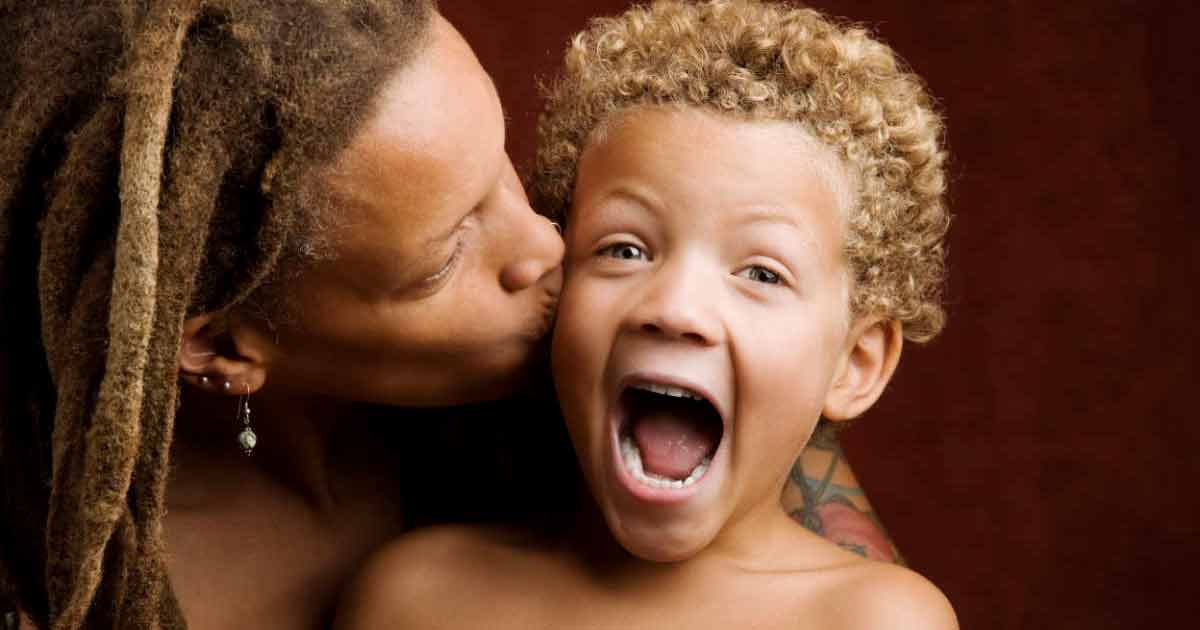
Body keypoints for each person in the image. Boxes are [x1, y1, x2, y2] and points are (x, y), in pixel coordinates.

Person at [0, 1, 896, 628]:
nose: (549, 245)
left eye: (502, 168)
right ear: (220, 340)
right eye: (446, 255)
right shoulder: (62, 569)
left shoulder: (622, 351)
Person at [334, 1, 955, 628]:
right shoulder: (416, 596)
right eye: (624, 250)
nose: (674, 308)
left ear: (855, 362)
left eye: (762, 273)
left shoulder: (874, 618)